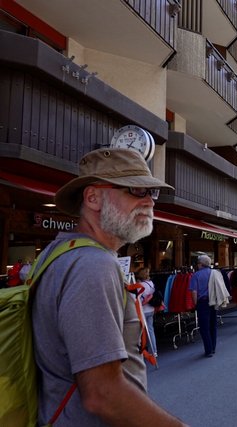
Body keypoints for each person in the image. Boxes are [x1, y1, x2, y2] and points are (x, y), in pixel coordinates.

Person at [31, 148, 184, 425]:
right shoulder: (93, 265)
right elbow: (102, 393)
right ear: (93, 197)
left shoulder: (59, 253)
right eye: (135, 190)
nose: (149, 202)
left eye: (152, 193)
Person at [189, 254, 217, 357]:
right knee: (213, 325)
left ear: (200, 264)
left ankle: (208, 350)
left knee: (204, 327)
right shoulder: (214, 273)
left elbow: (194, 291)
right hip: (213, 301)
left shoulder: (196, 275)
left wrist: (195, 303)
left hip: (203, 302)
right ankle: (213, 347)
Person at [138, 266, 158, 357]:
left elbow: (137, 298)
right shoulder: (151, 283)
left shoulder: (140, 285)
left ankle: (142, 350)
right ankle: (154, 351)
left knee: (140, 332)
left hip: (143, 310)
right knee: (150, 330)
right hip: (151, 309)